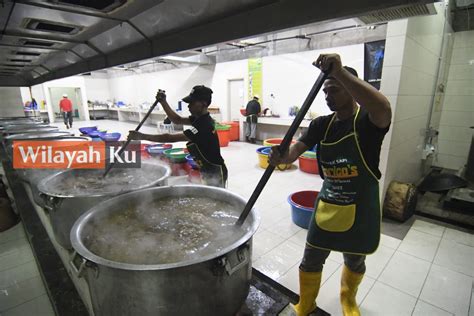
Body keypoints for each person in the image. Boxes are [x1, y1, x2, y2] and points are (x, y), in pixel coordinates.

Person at [269, 53, 391, 316]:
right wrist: (281, 156)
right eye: (325, 91)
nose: (327, 96)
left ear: (350, 88)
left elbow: (384, 109)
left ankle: (348, 300)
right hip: (329, 203)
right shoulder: (321, 125)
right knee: (311, 256)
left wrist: (340, 72)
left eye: (333, 89)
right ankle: (306, 304)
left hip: (360, 207)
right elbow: (293, 153)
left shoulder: (368, 123)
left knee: (355, 258)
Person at [128, 85, 228, 188]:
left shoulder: (204, 125)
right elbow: (177, 120)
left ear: (204, 103)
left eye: (192, 103)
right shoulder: (199, 118)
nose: (189, 106)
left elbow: (168, 138)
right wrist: (163, 102)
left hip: (215, 171)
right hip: (206, 169)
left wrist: (142, 136)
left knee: (215, 199)